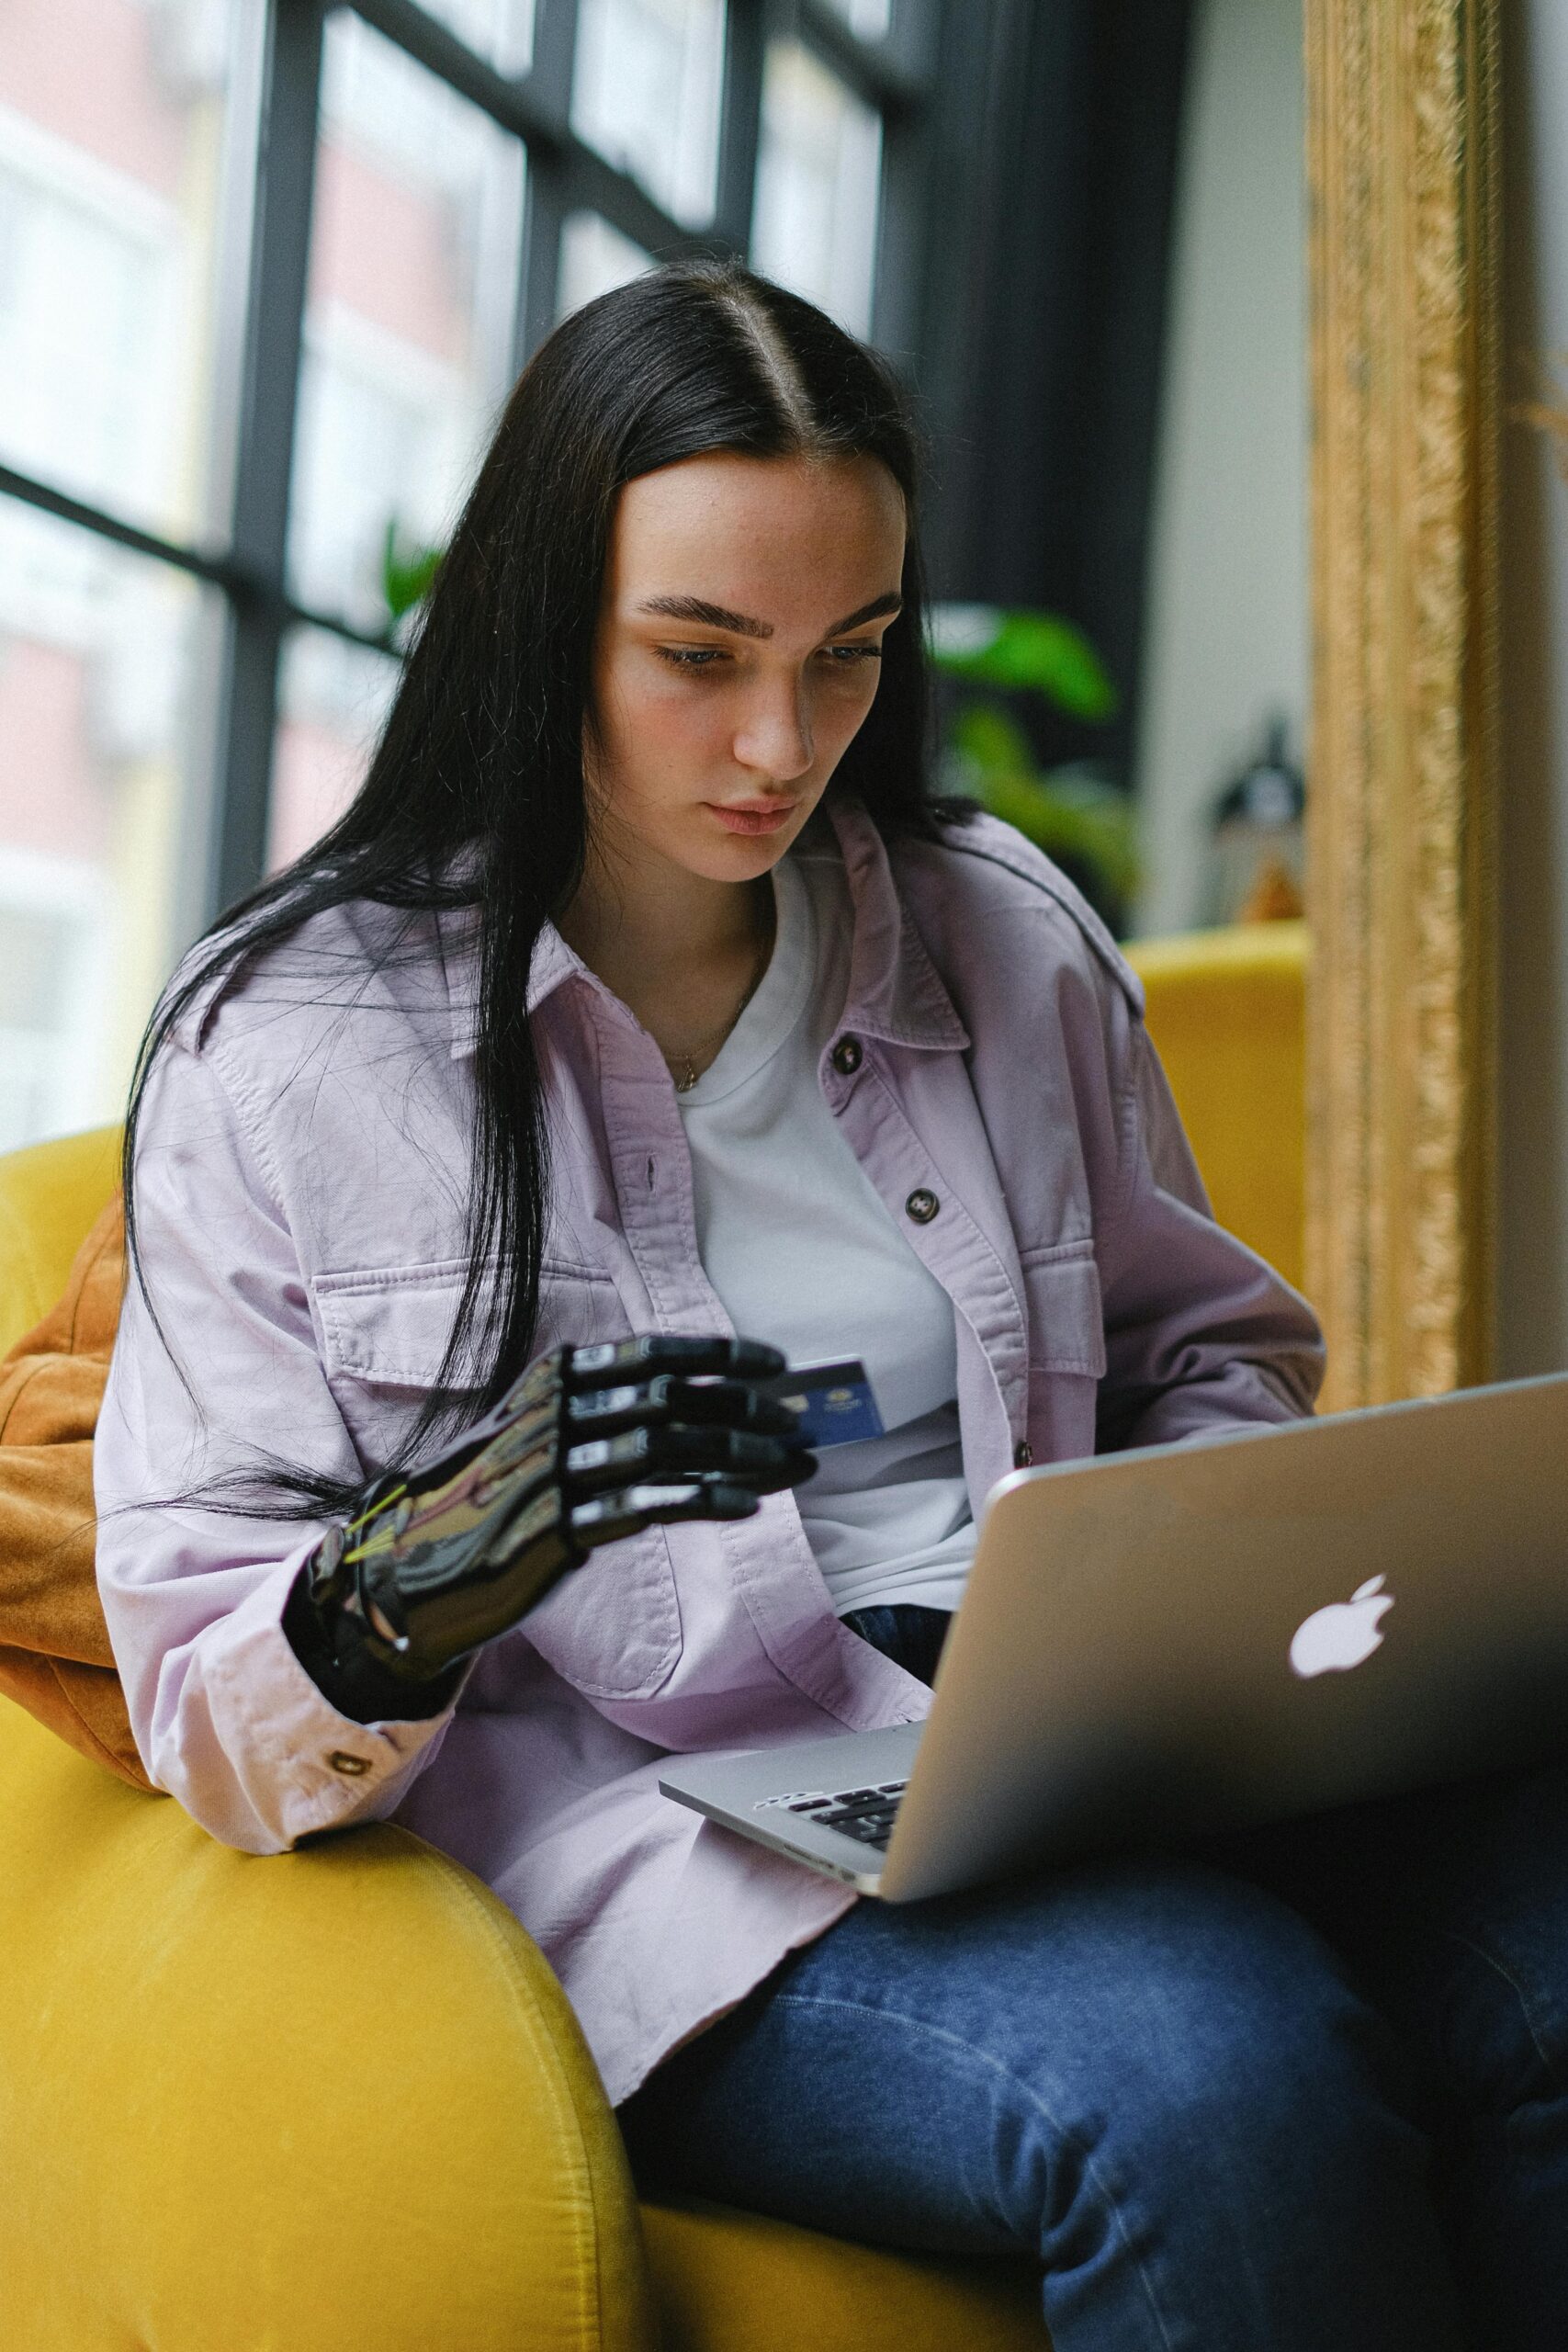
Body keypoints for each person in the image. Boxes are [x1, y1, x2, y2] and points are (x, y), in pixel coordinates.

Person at [95, 263, 1567, 2351]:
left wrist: (1175, 1619)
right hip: (687, 1847)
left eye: (845, 656)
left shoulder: (1000, 939)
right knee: (1208, 2072)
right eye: (696, 656)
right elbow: (204, 1699)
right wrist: (417, 1576)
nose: (779, 744)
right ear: (541, 617)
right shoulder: (288, 1045)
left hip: (1065, 1738)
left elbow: (1205, 1356)